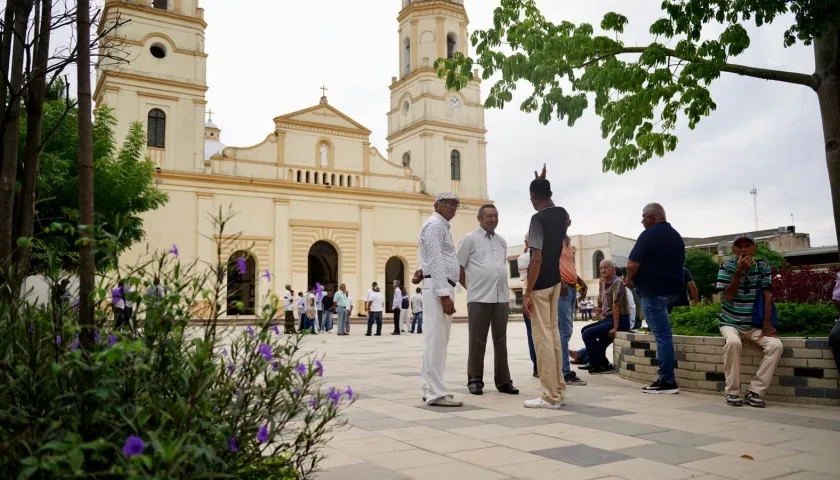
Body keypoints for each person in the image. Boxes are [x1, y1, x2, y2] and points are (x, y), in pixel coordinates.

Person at [456, 204, 518, 396]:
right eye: (489, 216)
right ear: (480, 218)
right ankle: (475, 380)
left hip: (501, 298)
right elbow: (458, 268)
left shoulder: (502, 242)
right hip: (478, 298)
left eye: (496, 216)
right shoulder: (469, 239)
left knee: (501, 340)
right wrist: (472, 288)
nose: (493, 219)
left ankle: (503, 381)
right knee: (477, 340)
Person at [717, 233, 783, 408]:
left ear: (755, 248)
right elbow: (727, 297)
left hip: (754, 325)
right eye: (740, 246)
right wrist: (739, 271)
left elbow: (767, 295)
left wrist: (767, 325)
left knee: (776, 346)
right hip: (730, 322)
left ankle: (755, 391)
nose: (744, 249)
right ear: (734, 250)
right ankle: (731, 392)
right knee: (733, 342)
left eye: (748, 245)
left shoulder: (762, 266)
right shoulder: (726, 266)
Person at [625, 202, 684, 394]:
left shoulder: (648, 234)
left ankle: (667, 380)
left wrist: (629, 278)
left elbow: (632, 263)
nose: (642, 221)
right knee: (664, 332)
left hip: (653, 291)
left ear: (651, 217)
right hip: (673, 290)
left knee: (662, 335)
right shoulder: (676, 236)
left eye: (643, 217)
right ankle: (667, 378)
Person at [522, 166, 568, 409]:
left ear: (532, 197)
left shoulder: (536, 219)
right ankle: (559, 388)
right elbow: (557, 214)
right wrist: (540, 181)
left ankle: (549, 395)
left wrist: (527, 292)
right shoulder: (562, 214)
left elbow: (536, 258)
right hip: (556, 281)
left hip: (540, 283)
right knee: (554, 336)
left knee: (542, 339)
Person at [412, 192, 463, 407]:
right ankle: (436, 392)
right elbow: (435, 258)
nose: (452, 207)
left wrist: (422, 271)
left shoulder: (439, 226)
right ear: (437, 205)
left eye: (455, 205)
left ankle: (430, 387)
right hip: (438, 288)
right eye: (448, 204)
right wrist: (443, 293)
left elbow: (430, 257)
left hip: (437, 284)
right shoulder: (435, 225)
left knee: (435, 340)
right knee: (437, 341)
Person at [583, 260, 632, 374]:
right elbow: (601, 304)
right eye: (601, 268)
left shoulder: (617, 282)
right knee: (584, 330)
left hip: (620, 320)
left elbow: (616, 305)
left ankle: (599, 364)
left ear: (612, 270)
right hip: (607, 319)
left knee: (588, 334)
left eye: (605, 268)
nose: (602, 270)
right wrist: (600, 287)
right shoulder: (605, 283)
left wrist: (615, 327)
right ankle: (600, 363)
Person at [559, 228, 588, 386]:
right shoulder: (554, 240)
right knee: (564, 331)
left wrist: (580, 282)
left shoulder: (567, 242)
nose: (567, 222)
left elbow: (567, 267)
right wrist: (560, 280)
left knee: (565, 331)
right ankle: (564, 371)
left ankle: (562, 369)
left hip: (571, 288)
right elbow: (548, 263)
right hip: (561, 289)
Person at [518, 234, 538, 377]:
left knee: (531, 334)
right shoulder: (532, 257)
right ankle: (541, 366)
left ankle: (536, 367)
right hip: (536, 299)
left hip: (527, 298)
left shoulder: (521, 258)